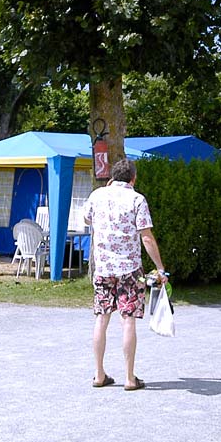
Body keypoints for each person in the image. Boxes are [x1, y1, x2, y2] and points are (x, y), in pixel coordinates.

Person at [81, 158, 166, 391]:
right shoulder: (137, 199)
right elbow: (146, 237)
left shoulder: (97, 195)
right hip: (129, 269)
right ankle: (130, 377)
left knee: (102, 318)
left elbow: (86, 218)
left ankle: (99, 374)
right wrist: (160, 268)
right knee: (127, 320)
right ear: (133, 178)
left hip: (103, 268)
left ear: (112, 177)